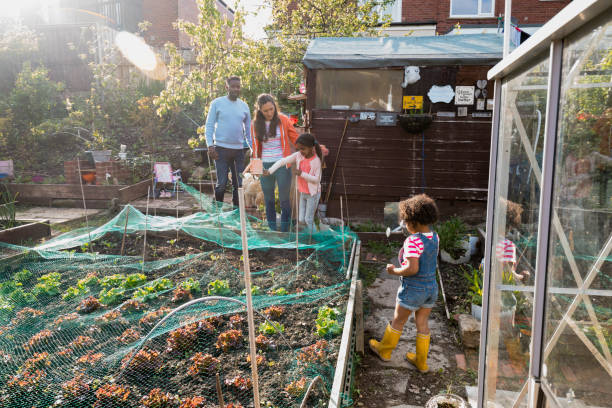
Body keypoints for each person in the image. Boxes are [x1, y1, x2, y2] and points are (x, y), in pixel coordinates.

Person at [369, 194, 439, 373]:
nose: (405, 225)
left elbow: (412, 268)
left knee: (398, 320)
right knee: (422, 322)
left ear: (413, 222)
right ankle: (421, 362)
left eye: (406, 221)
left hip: (413, 289)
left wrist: (394, 271)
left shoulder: (413, 241)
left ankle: (384, 350)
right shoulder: (434, 238)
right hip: (431, 287)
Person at [250, 94, 300, 232]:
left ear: (275, 107)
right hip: (265, 166)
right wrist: (256, 168)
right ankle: (271, 228)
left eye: (271, 109)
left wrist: (313, 149)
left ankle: (285, 229)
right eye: (265, 111)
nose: (269, 113)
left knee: (284, 198)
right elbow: (255, 148)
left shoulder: (283, 120)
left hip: (282, 164)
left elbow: (295, 138)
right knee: (269, 198)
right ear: (259, 110)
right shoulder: (255, 124)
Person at [204, 76, 252, 207]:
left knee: (239, 184)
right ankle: (217, 213)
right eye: (233, 86)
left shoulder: (244, 106)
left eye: (238, 86)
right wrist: (210, 146)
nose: (236, 89)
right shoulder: (217, 103)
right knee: (222, 184)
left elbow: (248, 131)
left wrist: (253, 150)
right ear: (227, 87)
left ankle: (236, 213)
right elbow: (209, 126)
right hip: (220, 150)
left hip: (239, 152)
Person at [263, 133, 323, 233]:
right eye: (299, 149)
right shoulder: (299, 155)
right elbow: (282, 161)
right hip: (303, 192)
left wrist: (301, 174)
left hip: (313, 194)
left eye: (303, 149)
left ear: (311, 148)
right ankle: (310, 235)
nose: (301, 151)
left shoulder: (316, 161)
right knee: (301, 219)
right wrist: (269, 171)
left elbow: (317, 180)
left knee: (308, 219)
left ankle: (314, 238)